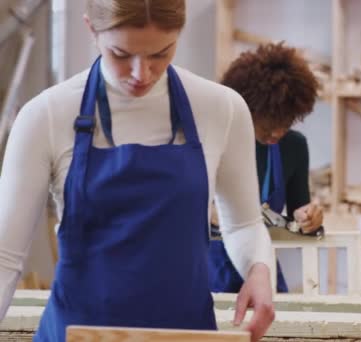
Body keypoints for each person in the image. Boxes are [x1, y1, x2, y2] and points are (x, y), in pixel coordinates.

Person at [0, 0, 274, 341]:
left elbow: (244, 224)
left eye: (160, 54)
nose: (140, 73)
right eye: (121, 54)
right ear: (92, 30)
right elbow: (5, 256)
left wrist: (258, 270)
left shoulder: (222, 108)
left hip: (185, 334)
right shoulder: (46, 116)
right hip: (76, 334)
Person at [208, 43, 324, 293]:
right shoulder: (212, 138)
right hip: (206, 272)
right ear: (246, 107)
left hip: (260, 269)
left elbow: (296, 216)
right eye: (270, 122)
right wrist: (206, 212)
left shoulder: (292, 146)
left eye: (287, 121)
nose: (278, 132)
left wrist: (309, 218)